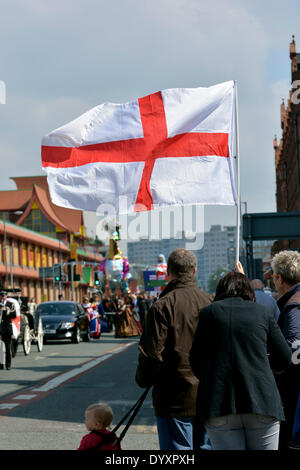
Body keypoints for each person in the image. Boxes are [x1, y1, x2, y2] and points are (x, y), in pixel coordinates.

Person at [189, 268, 291, 451]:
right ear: (249, 292)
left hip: (219, 404)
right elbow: (285, 357)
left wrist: (212, 376)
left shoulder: (208, 313)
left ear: (220, 291)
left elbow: (195, 359)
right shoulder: (262, 313)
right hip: (262, 400)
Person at [135, 248, 212, 450]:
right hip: (207, 393)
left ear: (168, 272)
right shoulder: (210, 302)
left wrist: (143, 379)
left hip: (173, 396)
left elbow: (152, 354)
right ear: (194, 271)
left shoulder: (162, 306)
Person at [271, 250, 300, 449]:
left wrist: (276, 364)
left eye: (273, 276)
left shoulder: (293, 307)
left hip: (294, 393)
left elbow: (295, 346)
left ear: (280, 278)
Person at [0, 290, 17, 370]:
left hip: (7, 328)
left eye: (4, 295)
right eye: (1, 295)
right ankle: (1, 364)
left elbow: (14, 315)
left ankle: (8, 364)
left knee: (7, 348)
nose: (2, 297)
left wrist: (6, 311)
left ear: (6, 296)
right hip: (0, 328)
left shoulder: (10, 304)